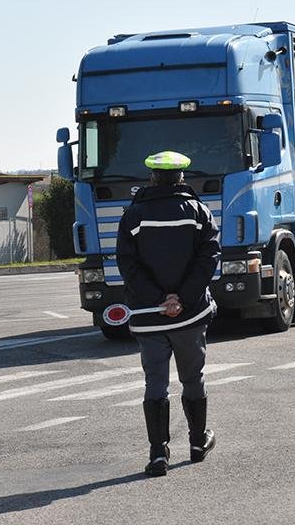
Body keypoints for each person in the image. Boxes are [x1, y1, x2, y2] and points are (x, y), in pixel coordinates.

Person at [116, 150, 220, 476]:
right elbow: (209, 258)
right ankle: (197, 442)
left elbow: (127, 266)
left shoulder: (132, 216)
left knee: (155, 384)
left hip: (149, 316)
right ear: (181, 178)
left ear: (151, 178)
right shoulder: (199, 212)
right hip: (189, 316)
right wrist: (182, 299)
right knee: (193, 378)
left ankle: (158, 453)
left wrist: (159, 300)